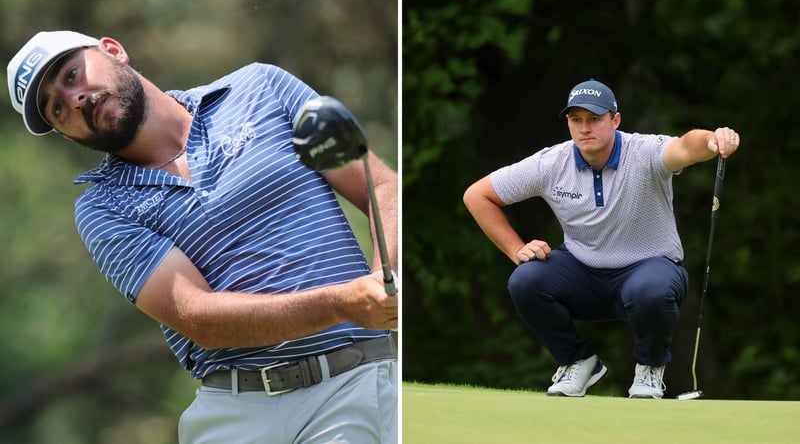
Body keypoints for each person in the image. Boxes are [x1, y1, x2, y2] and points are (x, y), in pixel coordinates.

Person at [7, 30, 398, 442]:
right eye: (57, 108)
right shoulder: (102, 207)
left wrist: (379, 286)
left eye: (71, 75)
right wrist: (342, 303)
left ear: (113, 50)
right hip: (233, 410)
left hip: (348, 385)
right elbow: (201, 318)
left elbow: (381, 190)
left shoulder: (261, 87)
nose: (75, 99)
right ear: (66, 135)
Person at [463, 79, 739, 399]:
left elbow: (686, 146)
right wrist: (515, 249)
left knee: (650, 289)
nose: (584, 128)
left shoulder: (644, 152)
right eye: (575, 120)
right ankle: (579, 361)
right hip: (584, 275)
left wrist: (711, 140)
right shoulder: (552, 163)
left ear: (615, 120)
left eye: (594, 119)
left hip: (650, 271)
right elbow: (477, 196)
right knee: (525, 280)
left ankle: (649, 370)